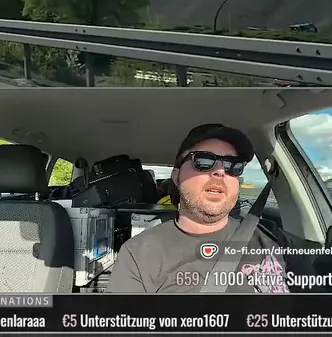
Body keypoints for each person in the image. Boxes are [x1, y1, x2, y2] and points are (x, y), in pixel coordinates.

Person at [107, 123, 306, 293]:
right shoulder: (139, 254)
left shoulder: (272, 236)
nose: (220, 171)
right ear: (176, 176)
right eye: (203, 161)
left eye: (233, 165)